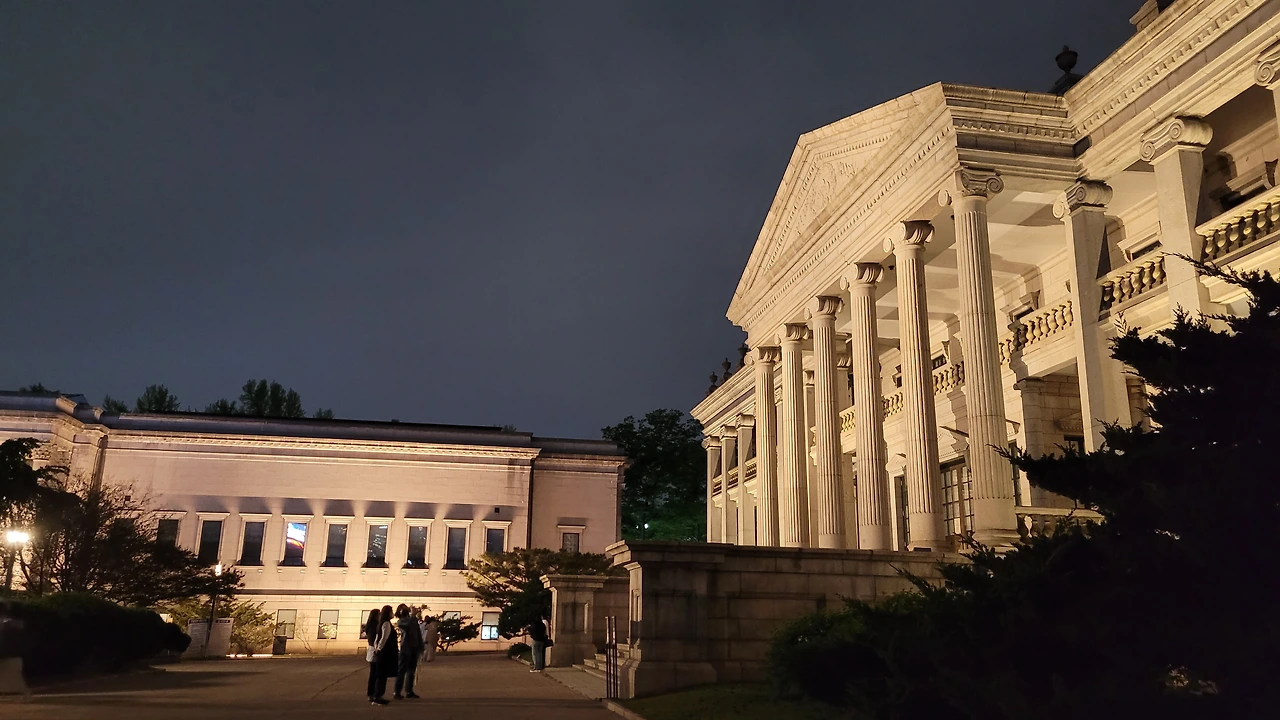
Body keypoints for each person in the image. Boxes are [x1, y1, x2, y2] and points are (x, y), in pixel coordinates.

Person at [393, 604, 423, 699]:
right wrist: (413, 616)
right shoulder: (401, 622)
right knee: (402, 670)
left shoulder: (413, 620)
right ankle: (397, 692)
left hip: (414, 647)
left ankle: (409, 690)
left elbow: (418, 633)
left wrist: (421, 646)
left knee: (411, 670)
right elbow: (406, 626)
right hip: (406, 648)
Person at [370, 605, 398, 705]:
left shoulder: (382, 623)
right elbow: (383, 638)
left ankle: (377, 695)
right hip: (386, 652)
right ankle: (378, 696)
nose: (393, 613)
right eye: (391, 611)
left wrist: (377, 647)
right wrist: (379, 648)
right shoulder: (386, 623)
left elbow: (378, 637)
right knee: (382, 675)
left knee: (381, 674)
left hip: (382, 652)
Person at [363, 608, 381, 703]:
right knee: (374, 673)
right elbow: (373, 639)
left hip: (372, 649)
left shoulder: (370, 626)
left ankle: (372, 693)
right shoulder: (374, 626)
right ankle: (371, 693)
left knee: (373, 673)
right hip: (374, 649)